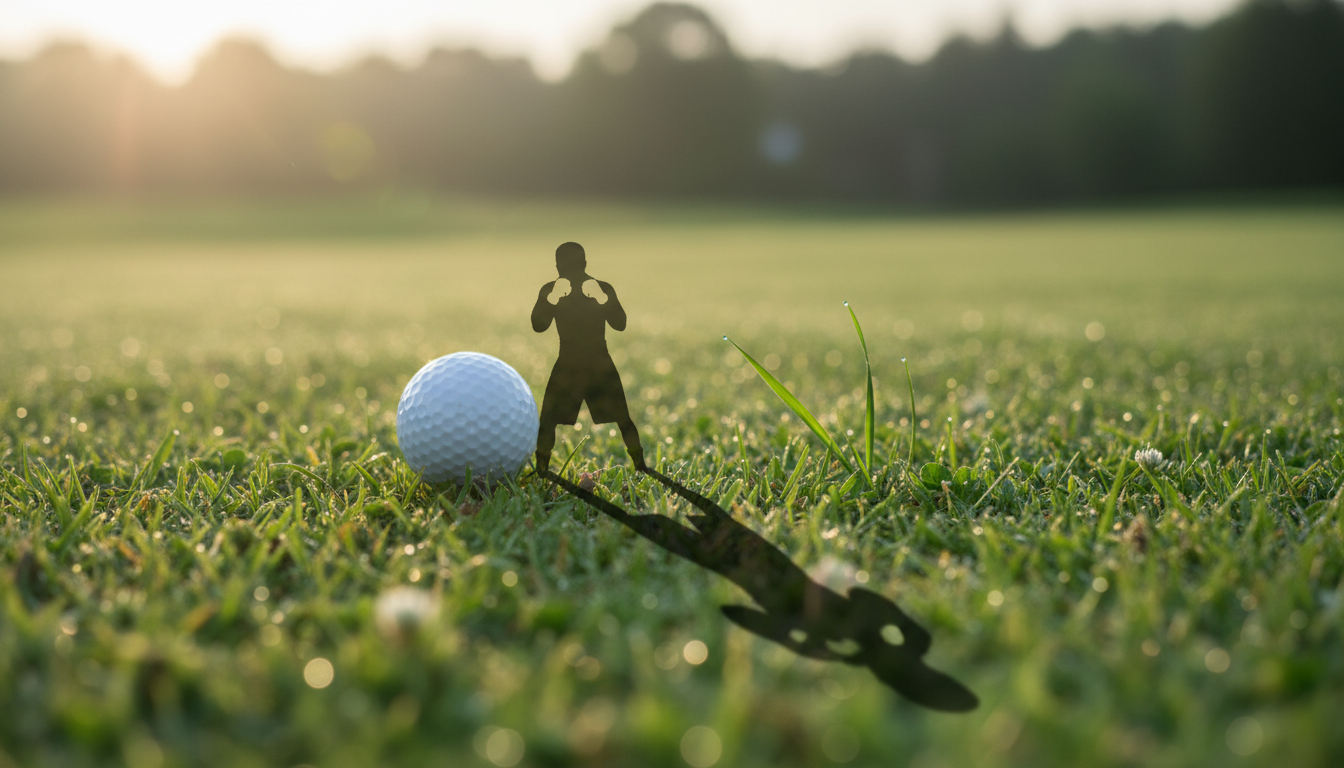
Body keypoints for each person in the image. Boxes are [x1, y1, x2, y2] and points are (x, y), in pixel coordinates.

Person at [532, 242, 645, 475]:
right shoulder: (551, 290)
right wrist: (552, 298)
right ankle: (542, 470)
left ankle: (641, 465)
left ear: (583, 264)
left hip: (598, 361)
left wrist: (602, 298)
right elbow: (538, 326)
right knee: (548, 420)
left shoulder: (601, 287)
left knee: (623, 418)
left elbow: (620, 324)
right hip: (568, 362)